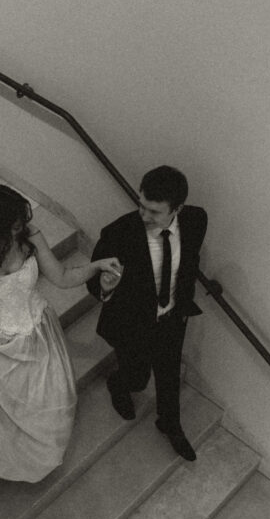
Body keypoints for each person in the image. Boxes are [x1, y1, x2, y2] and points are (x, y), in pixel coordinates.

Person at [0, 185, 121, 482]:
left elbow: (63, 277)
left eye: (20, 222)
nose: (19, 230)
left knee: (41, 399)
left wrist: (96, 266)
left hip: (39, 329)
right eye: (12, 225)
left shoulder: (29, 237)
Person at [87, 166, 207, 461]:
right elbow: (93, 281)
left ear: (177, 209)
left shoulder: (195, 220)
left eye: (154, 211)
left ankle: (170, 423)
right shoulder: (119, 233)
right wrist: (104, 286)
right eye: (141, 205)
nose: (144, 215)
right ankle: (119, 383)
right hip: (132, 323)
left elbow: (188, 262)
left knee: (168, 376)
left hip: (171, 318)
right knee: (138, 377)